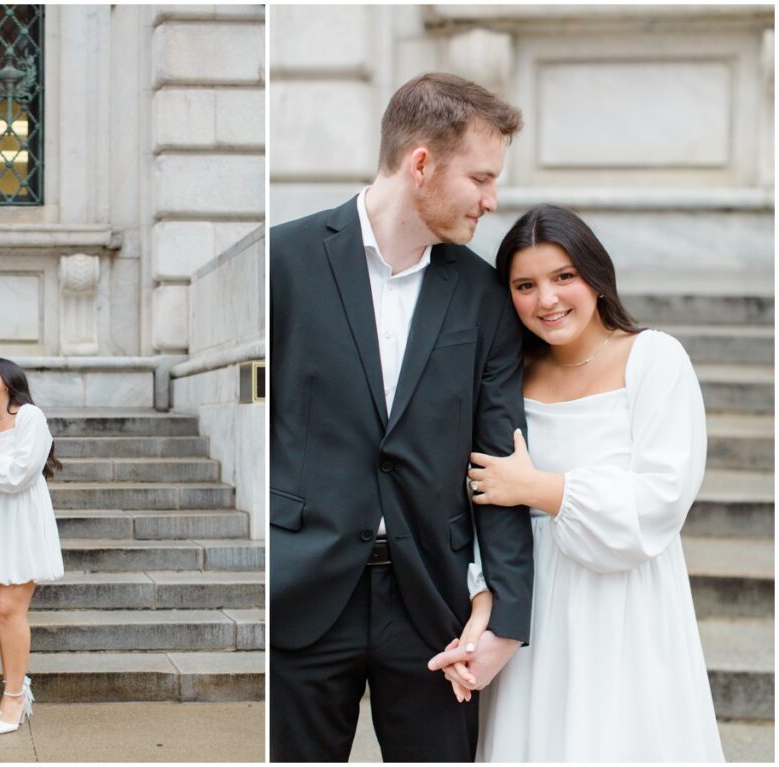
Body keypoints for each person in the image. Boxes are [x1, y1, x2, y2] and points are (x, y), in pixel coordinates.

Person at [269, 73, 535, 762]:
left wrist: (505, 610)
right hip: (300, 594)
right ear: (421, 163)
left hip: (433, 608)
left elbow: (499, 466)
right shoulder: (283, 263)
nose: (491, 199)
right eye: (480, 177)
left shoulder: (485, 297)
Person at [429, 204, 725, 761]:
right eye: (525, 284)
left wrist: (538, 488)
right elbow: (476, 497)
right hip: (533, 602)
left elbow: (661, 498)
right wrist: (485, 598)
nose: (548, 300)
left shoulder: (654, 358)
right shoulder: (508, 374)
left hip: (625, 603)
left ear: (596, 274)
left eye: (564, 276)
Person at [0, 357, 64, 735]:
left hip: (22, 519)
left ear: (9, 380)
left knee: (9, 608)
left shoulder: (30, 417)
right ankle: (14, 688)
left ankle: (15, 698)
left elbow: (20, 473)